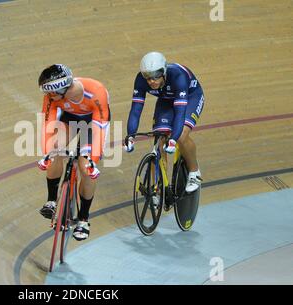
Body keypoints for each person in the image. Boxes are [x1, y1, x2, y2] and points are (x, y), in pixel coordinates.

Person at [37, 64, 110, 241]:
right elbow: (48, 123)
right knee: (54, 152)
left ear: (64, 89)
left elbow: (100, 126)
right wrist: (47, 153)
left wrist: (92, 160)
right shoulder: (52, 97)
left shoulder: (96, 91)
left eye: (53, 93)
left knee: (86, 169)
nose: (50, 97)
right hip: (69, 118)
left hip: (93, 122)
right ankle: (52, 201)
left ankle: (84, 219)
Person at [124, 51, 204, 195]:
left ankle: (194, 172)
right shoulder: (141, 80)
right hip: (166, 100)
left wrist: (173, 139)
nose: (151, 81)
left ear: (164, 72)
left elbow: (180, 112)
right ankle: (157, 189)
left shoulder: (178, 77)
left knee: (180, 136)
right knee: (159, 141)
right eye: (148, 78)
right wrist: (130, 136)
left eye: (155, 77)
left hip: (190, 97)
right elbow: (136, 110)